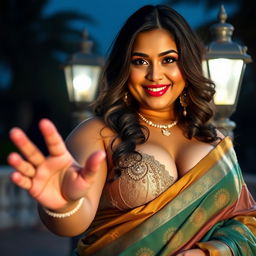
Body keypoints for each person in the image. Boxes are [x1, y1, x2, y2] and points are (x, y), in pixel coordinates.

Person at [7, 4, 256, 256]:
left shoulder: (216, 139)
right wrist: (63, 204)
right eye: (140, 61)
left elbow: (246, 221)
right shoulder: (98, 133)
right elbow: (74, 222)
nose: (154, 74)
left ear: (188, 64)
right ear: (124, 67)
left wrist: (208, 253)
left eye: (168, 59)